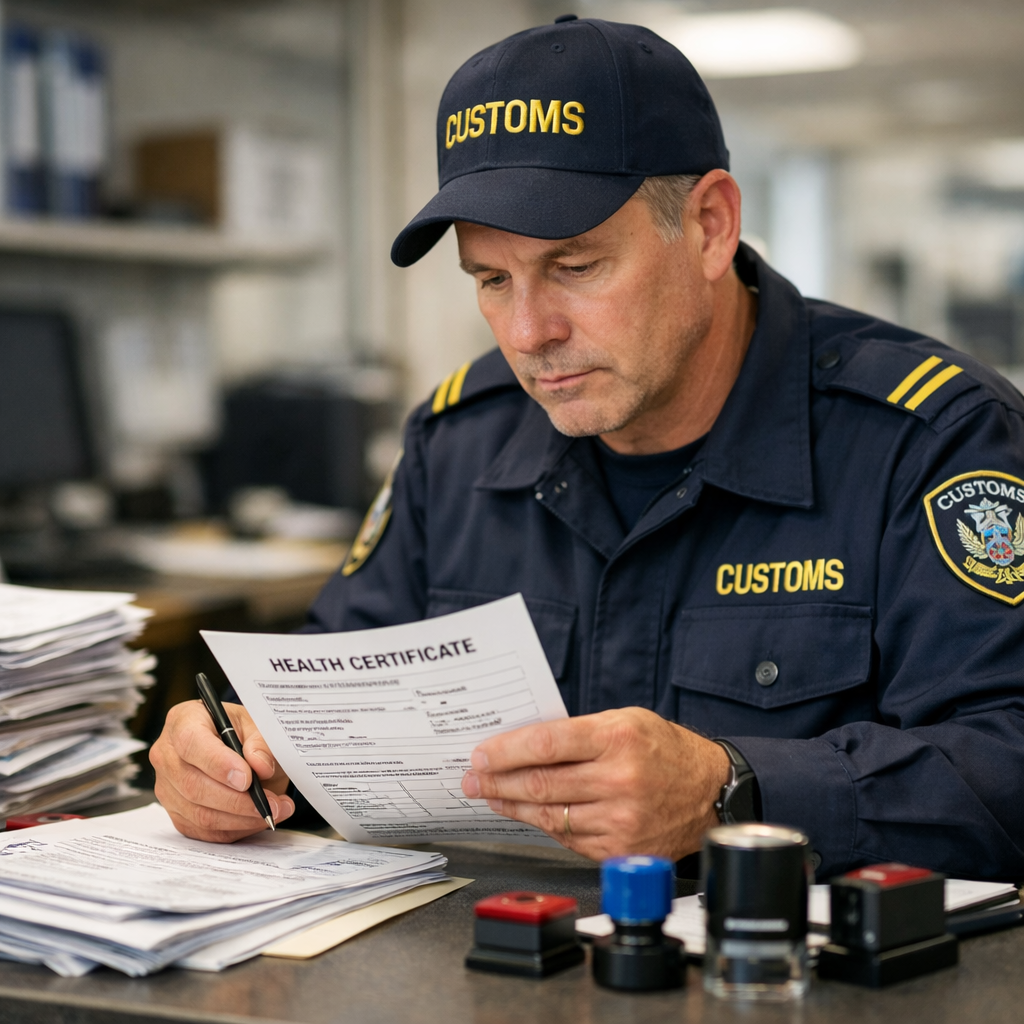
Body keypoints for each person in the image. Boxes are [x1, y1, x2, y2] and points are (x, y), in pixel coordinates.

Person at [152, 16, 1024, 881]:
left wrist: (737, 789)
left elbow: (1007, 760)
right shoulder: (456, 443)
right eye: (492, 279)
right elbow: (322, 715)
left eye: (576, 266)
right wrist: (238, 762)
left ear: (712, 225)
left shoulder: (932, 440)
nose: (529, 333)